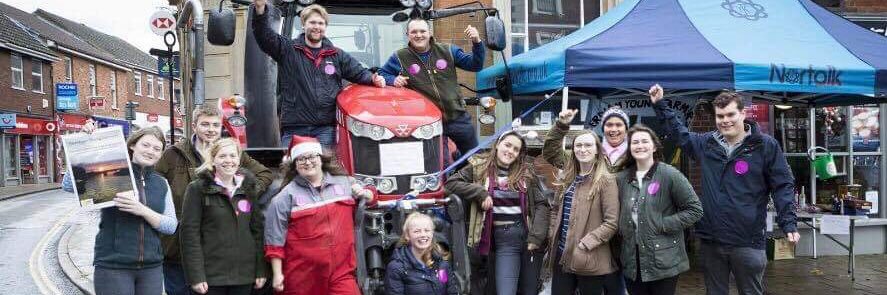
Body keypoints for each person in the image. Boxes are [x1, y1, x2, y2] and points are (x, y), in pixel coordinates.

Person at [649, 84, 799, 295]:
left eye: (730, 114)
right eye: (720, 116)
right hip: (712, 240)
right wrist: (659, 104)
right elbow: (678, 133)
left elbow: (782, 185)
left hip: (748, 240)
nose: (725, 120)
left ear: (743, 113)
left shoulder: (764, 145)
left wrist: (788, 223)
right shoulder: (706, 144)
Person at [154, 104, 272, 295]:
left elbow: (264, 174)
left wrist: (245, 192)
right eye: (205, 124)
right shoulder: (173, 155)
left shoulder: (229, 154)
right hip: (177, 246)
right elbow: (154, 185)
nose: (210, 130)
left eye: (215, 125)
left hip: (215, 250)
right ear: (194, 126)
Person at [62, 124, 178, 295]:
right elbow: (68, 185)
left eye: (156, 148)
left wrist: (142, 210)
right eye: (145, 145)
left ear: (161, 154)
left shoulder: (161, 184)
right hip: (113, 266)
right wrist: (82, 143)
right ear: (132, 145)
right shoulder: (114, 173)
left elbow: (170, 225)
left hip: (151, 267)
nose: (150, 151)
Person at [252, 0, 386, 148]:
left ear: (325, 27)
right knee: (292, 170)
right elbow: (263, 35)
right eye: (312, 22)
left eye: (321, 23)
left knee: (322, 169)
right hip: (295, 129)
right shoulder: (287, 49)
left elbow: (360, 73)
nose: (317, 27)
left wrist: (375, 79)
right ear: (304, 25)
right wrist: (260, 9)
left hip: (326, 130)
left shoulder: (337, 55)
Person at [263, 135, 374, 295]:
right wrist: (278, 274)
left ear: (321, 158)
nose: (307, 162)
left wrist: (368, 194)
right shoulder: (284, 198)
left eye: (311, 156)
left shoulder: (345, 184)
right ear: (294, 165)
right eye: (301, 159)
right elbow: (274, 239)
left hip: (340, 273)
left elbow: (371, 194)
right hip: (302, 278)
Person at [445, 131, 550, 295]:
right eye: (507, 145)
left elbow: (542, 205)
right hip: (505, 238)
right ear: (498, 144)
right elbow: (451, 184)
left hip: (529, 235)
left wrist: (536, 237)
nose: (510, 151)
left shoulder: (526, 172)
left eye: (516, 149)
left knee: (529, 290)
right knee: (505, 291)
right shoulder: (479, 167)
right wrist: (480, 193)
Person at [615, 124, 703, 295]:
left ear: (654, 146)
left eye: (644, 141)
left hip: (663, 259)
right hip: (632, 259)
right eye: (635, 142)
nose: (639, 145)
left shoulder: (669, 174)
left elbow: (695, 210)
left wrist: (663, 223)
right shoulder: (621, 178)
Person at [542, 109, 621, 295]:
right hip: (562, 254)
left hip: (589, 254)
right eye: (578, 145)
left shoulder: (606, 180)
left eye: (588, 145)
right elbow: (555, 210)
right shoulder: (567, 177)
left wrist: (585, 244)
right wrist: (552, 233)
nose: (582, 149)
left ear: (597, 150)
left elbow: (611, 222)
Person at [379, 18, 485, 157]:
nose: (418, 35)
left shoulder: (448, 51)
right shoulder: (400, 57)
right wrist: (393, 79)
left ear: (429, 33)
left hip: (457, 116)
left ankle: (460, 164)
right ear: (408, 35)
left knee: (474, 158)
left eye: (422, 31)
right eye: (414, 32)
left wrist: (477, 42)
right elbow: (382, 74)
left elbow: (475, 65)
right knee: (440, 164)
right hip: (428, 123)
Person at [179, 138, 267, 295]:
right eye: (222, 156)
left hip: (244, 276)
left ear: (239, 159)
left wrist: (260, 269)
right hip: (211, 277)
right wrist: (196, 276)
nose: (228, 160)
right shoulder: (197, 189)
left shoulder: (248, 188)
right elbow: (189, 235)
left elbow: (257, 231)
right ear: (213, 160)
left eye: (233, 156)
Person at [385, 212, 460, 295]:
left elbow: (450, 291)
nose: (423, 235)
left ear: (432, 233)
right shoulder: (397, 268)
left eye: (427, 230)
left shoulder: (441, 264)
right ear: (407, 236)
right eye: (417, 231)